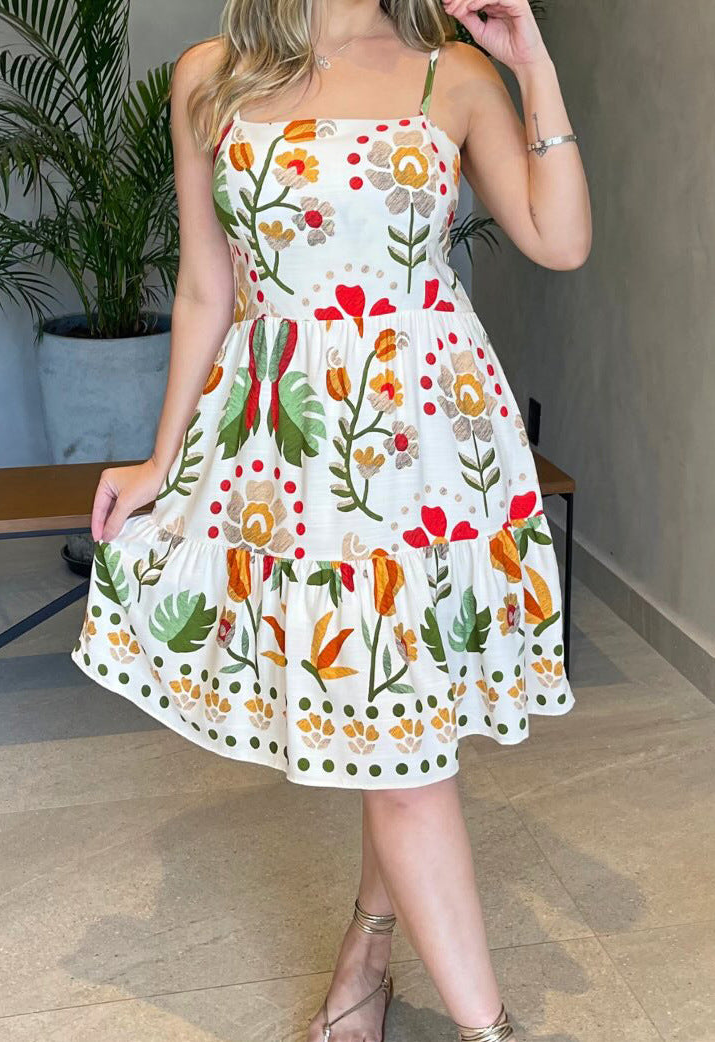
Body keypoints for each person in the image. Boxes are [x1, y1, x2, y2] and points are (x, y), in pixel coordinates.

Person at [71, 0, 591, 1038]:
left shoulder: (454, 75)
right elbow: (206, 289)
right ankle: (404, 970)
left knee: (404, 744)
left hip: (430, 451)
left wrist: (532, 60)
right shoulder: (212, 75)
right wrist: (162, 458)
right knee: (394, 738)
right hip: (294, 453)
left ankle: (393, 966)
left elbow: (560, 238)